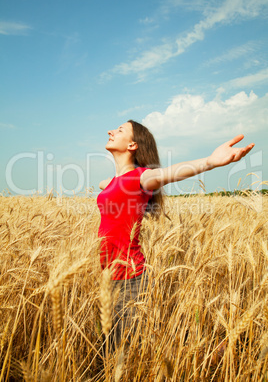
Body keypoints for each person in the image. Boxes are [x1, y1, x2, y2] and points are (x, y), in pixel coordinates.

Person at [97, 120, 254, 349]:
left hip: (130, 276)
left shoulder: (141, 178)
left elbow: (171, 173)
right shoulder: (113, 182)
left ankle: (215, 349)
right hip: (109, 275)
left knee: (125, 349)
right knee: (112, 345)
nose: (110, 130)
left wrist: (210, 162)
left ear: (133, 145)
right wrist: (107, 185)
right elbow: (108, 186)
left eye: (119, 130)